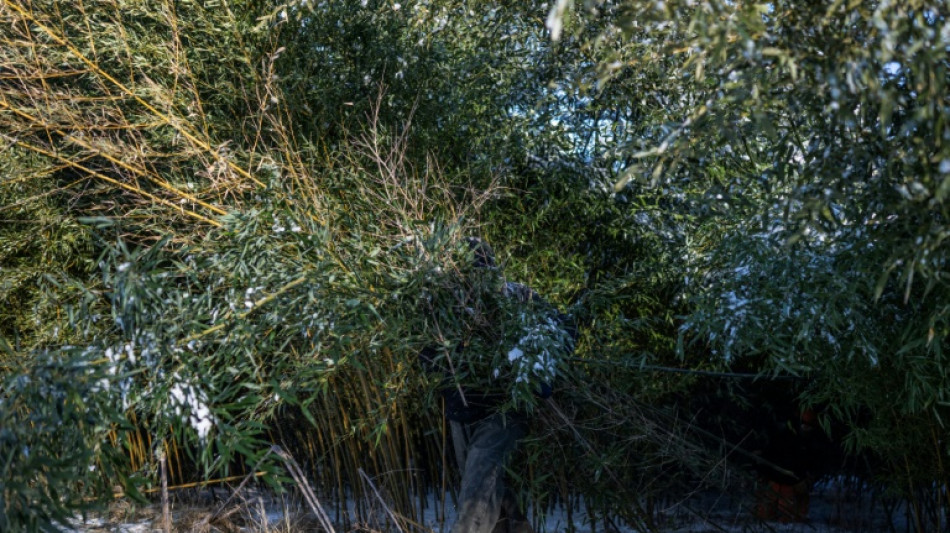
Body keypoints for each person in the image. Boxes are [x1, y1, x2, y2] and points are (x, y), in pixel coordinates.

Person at [421, 238, 575, 533]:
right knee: (491, 493)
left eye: (480, 274)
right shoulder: (443, 305)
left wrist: (540, 369)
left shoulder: (517, 297)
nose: (473, 283)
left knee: (475, 497)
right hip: (460, 413)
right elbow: (426, 355)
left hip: (503, 411)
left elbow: (565, 329)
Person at [753, 408, 830, 523]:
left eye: (809, 425)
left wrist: (806, 480)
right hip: (775, 481)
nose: (806, 427)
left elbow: (815, 464)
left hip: (793, 484)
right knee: (765, 515)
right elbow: (768, 456)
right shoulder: (782, 435)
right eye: (804, 424)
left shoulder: (813, 442)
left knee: (790, 518)